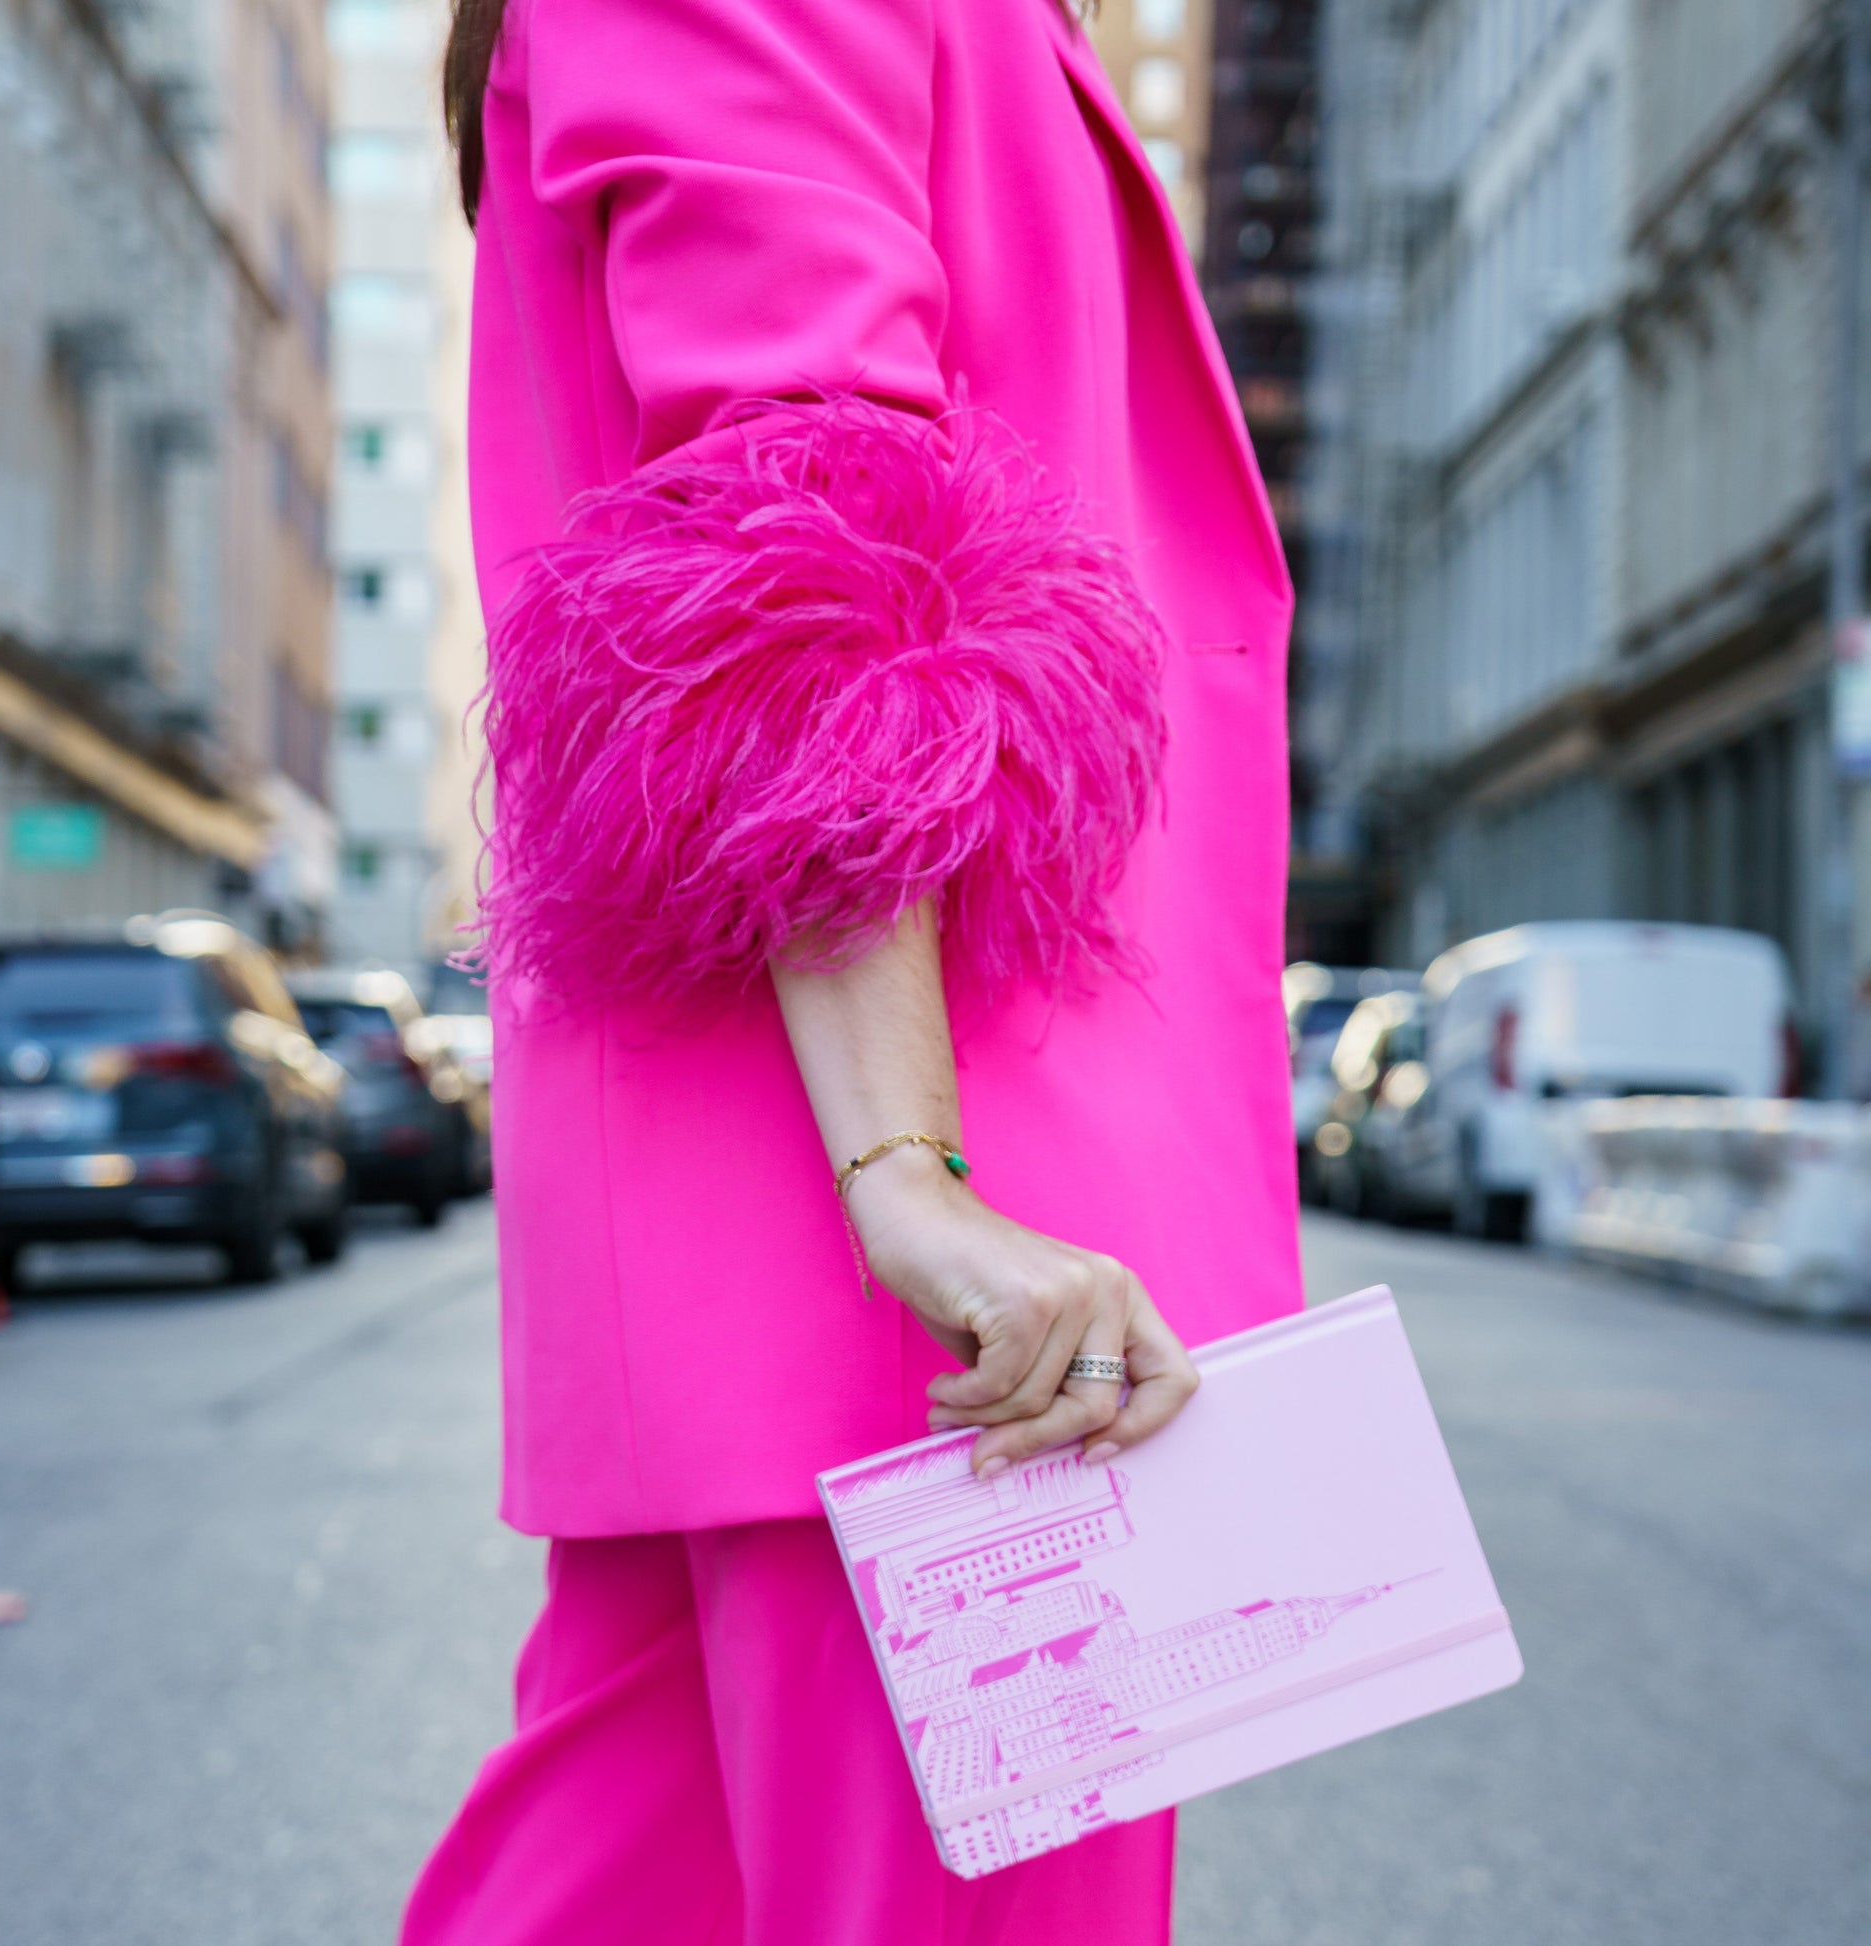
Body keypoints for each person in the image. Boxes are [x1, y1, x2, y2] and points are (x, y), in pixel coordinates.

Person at [401, 1, 1300, 1940]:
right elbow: (800, 534)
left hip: (825, 1229)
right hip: (935, 1259)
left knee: (628, 1889)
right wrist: (911, 1178)